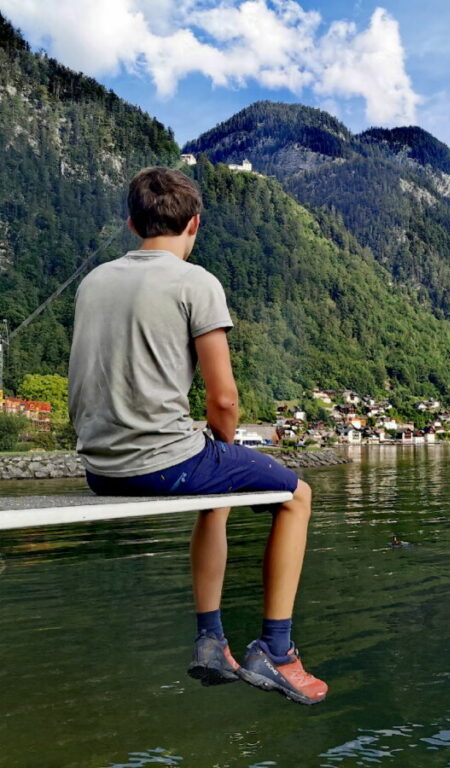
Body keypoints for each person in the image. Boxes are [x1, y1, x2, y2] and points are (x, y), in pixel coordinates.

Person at [67, 166, 328, 706]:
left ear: (132, 222)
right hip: (161, 465)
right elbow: (224, 400)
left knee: (218, 493)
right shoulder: (196, 282)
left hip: (98, 469)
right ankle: (276, 651)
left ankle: (212, 641)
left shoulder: (94, 281)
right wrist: (223, 443)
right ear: (195, 225)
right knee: (297, 497)